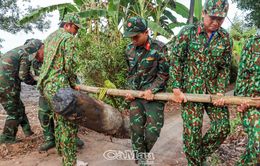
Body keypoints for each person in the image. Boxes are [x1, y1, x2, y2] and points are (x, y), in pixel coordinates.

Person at [170, 0, 232, 165]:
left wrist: (220, 91)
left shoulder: (225, 38)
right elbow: (176, 60)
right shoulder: (187, 33)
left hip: (213, 92)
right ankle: (195, 162)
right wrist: (176, 87)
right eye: (212, 17)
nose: (216, 22)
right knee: (192, 133)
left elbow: (225, 67)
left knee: (223, 126)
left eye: (221, 18)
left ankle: (198, 156)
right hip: (191, 91)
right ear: (203, 13)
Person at [37, 13, 82, 165]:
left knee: (59, 119)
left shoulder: (50, 37)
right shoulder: (68, 39)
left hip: (47, 87)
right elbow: (69, 66)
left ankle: (61, 152)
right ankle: (70, 163)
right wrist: (73, 82)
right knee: (69, 125)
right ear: (67, 25)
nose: (76, 32)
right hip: (60, 87)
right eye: (76, 28)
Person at [124, 16, 169, 165]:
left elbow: (164, 74)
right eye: (130, 37)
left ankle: (141, 155)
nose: (133, 40)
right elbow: (130, 73)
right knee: (136, 130)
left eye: (136, 36)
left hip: (154, 98)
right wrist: (130, 90)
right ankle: (142, 161)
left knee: (152, 132)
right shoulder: (129, 49)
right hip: (136, 97)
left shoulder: (159, 48)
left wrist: (152, 89)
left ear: (146, 32)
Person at [0, 39, 44, 143]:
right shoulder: (26, 54)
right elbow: (23, 76)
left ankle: (28, 132)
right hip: (6, 86)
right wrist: (36, 82)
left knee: (19, 107)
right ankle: (7, 138)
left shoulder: (19, 50)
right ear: (38, 48)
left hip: (6, 85)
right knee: (14, 113)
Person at [234, 30, 260, 165]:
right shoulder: (253, 43)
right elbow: (243, 76)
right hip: (252, 104)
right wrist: (241, 101)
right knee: (258, 148)